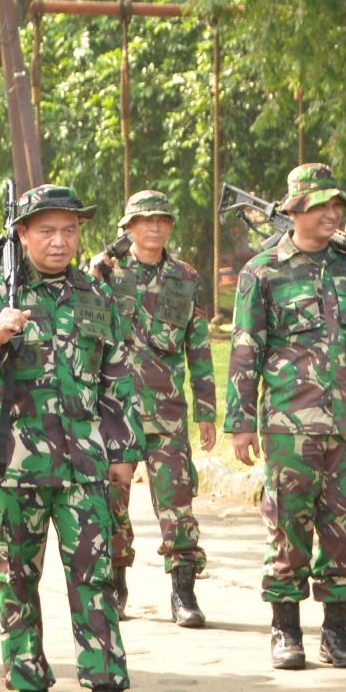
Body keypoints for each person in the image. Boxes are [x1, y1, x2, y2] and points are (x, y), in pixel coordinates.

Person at [0, 184, 153, 692]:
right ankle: (30, 689)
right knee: (16, 576)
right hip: (13, 461)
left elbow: (117, 374)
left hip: (84, 461)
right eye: (46, 231)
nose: (59, 241)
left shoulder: (96, 295)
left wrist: (124, 451)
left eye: (69, 230)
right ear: (22, 234)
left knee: (97, 575)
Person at [225, 163, 346, 670]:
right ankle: (286, 630)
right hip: (287, 425)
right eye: (320, 206)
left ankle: (336, 633)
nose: (332, 214)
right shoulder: (264, 270)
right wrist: (240, 420)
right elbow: (245, 347)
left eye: (336, 205)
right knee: (288, 526)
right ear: (295, 210)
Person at [89, 190, 217, 628]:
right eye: (145, 221)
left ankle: (183, 593)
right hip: (114, 409)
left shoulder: (185, 277)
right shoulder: (103, 274)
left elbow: (198, 347)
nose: (155, 227)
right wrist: (90, 276)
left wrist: (206, 410)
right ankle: (117, 586)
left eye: (162, 219)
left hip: (167, 410)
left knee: (178, 505)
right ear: (127, 228)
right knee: (112, 502)